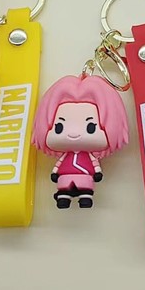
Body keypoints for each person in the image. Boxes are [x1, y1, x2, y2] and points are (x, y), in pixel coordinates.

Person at [32, 75, 129, 210]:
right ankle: (63, 198)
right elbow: (59, 164)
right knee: (64, 190)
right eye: (59, 128)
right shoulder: (68, 156)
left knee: (85, 190)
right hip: (65, 178)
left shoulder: (88, 156)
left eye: (91, 128)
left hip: (85, 179)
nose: (73, 133)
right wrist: (55, 173)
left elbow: (95, 164)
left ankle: (85, 198)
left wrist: (97, 173)